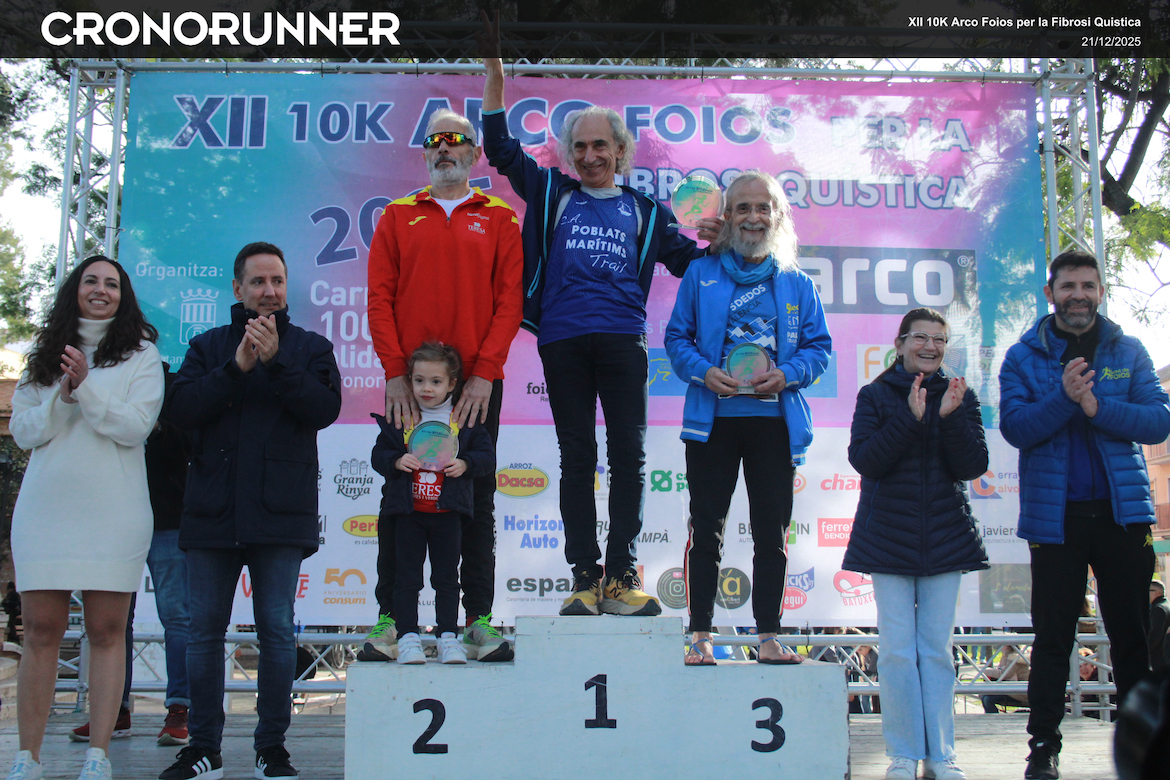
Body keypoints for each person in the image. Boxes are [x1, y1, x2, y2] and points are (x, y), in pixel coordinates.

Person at [481, 17, 720, 616]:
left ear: (620, 152)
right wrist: (495, 80)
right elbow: (501, 150)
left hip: (622, 342)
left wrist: (719, 245)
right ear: (570, 154)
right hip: (562, 340)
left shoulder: (646, 210)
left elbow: (687, 262)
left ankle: (621, 576)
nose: (590, 156)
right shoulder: (552, 193)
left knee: (629, 459)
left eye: (600, 146)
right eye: (580, 147)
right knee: (577, 458)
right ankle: (585, 577)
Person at [159, 242, 341, 780]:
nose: (269, 291)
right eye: (258, 281)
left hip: (280, 514)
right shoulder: (207, 346)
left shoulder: (310, 347)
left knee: (278, 632)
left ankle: (272, 749)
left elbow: (323, 409)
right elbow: (181, 410)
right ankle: (203, 749)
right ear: (237, 289)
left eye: (277, 281)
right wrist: (236, 368)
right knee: (203, 633)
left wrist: (276, 361)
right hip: (212, 512)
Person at [999, 249, 1170, 780]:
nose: (1078, 295)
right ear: (1050, 293)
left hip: (1124, 518)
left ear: (1101, 292)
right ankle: (1043, 749)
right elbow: (1016, 428)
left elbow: (1158, 421)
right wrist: (1066, 399)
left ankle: (1144, 751)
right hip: (1056, 522)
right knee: (1053, 639)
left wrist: (1098, 407)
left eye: (1088, 286)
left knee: (1133, 638)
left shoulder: (1129, 349)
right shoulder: (1022, 356)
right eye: (1068, 286)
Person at [365, 106, 522, 663]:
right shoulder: (396, 215)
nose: (444, 149)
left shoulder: (500, 217)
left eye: (456, 140)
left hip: (475, 390)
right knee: (398, 499)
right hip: (411, 388)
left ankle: (477, 620)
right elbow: (379, 299)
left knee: (475, 498)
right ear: (425, 153)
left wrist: (484, 374)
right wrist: (394, 374)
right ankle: (391, 620)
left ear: (475, 153)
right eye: (434, 141)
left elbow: (510, 302)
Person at [6, 255, 164, 780]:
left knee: (106, 629)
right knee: (41, 630)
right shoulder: (44, 354)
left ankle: (99, 755)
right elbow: (25, 431)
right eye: (91, 281)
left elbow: (135, 427)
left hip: (115, 511)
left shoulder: (141, 354)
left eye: (111, 284)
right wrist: (64, 394)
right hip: (46, 510)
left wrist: (87, 387)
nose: (101, 290)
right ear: (75, 289)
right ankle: (28, 757)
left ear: (124, 295)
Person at [663, 170, 830, 664]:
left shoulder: (798, 282)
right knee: (706, 530)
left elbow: (819, 348)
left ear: (778, 217)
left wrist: (789, 374)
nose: (753, 217)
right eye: (743, 208)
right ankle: (699, 636)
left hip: (774, 424)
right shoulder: (701, 274)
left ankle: (769, 638)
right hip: (712, 421)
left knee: (771, 534)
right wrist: (703, 371)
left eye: (763, 208)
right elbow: (677, 339)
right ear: (728, 217)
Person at [840, 307, 988, 780]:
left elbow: (972, 466)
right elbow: (866, 460)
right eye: (921, 338)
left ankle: (941, 755)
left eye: (939, 339)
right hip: (889, 540)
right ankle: (903, 753)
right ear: (900, 344)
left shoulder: (961, 395)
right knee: (898, 651)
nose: (930, 347)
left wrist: (947, 418)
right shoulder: (875, 394)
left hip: (946, 539)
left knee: (937, 651)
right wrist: (910, 418)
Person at [70, 362, 194, 747]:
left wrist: (153, 427)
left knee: (177, 615)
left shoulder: (172, 383)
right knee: (111, 620)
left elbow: (191, 441)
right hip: (115, 517)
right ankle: (113, 711)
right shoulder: (99, 382)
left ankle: (180, 708)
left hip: (167, 518)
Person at [370, 343, 495, 665]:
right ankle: (408, 637)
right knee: (406, 578)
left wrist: (466, 464)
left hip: (448, 516)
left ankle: (448, 637)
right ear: (409, 381)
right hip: (408, 515)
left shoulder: (464, 420)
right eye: (419, 380)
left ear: (452, 383)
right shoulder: (402, 416)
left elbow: (487, 458)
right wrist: (396, 460)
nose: (427, 388)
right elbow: (378, 455)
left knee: (447, 580)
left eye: (436, 381)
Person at [981, 645, 1031, 714]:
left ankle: (994, 718)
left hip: (1021, 692)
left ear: (1009, 646)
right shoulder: (1007, 655)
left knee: (987, 699)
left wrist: (985, 671)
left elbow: (1005, 674)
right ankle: (993, 717)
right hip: (1012, 688)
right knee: (983, 695)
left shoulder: (1016, 657)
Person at [1149, 579, 1170, 674]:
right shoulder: (1166, 605)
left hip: (1160, 658)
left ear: (1156, 593)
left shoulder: (1158, 609)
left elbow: (1155, 635)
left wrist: (1145, 651)